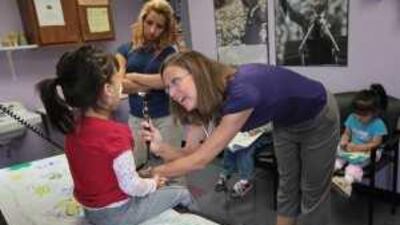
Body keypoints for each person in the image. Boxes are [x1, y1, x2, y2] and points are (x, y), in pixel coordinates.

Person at [141, 50, 340, 225]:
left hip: (319, 114)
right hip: (285, 122)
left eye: (175, 82)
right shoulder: (205, 99)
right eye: (167, 88)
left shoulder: (240, 93)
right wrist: (162, 149)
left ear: (197, 72)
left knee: (312, 193)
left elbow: (200, 161)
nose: (172, 94)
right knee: (287, 187)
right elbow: (192, 153)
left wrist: (148, 174)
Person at [36, 45, 193, 225]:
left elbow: (103, 170)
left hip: (91, 212)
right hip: (119, 215)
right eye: (119, 82)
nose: (122, 86)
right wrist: (154, 183)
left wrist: (145, 176)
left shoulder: (74, 130)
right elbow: (131, 186)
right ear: (109, 89)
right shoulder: (115, 135)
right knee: (180, 191)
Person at [115, 0, 183, 168]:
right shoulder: (124, 50)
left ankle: (178, 195)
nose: (153, 30)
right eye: (149, 23)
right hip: (136, 117)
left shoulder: (169, 52)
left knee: (173, 164)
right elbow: (119, 84)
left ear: (165, 29)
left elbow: (166, 81)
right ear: (142, 21)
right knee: (135, 164)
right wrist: (154, 82)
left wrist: (134, 76)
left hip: (166, 117)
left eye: (159, 26)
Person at [332, 84, 388, 197]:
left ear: (374, 112)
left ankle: (346, 183)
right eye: (357, 113)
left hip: (369, 150)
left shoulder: (378, 124)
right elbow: (347, 133)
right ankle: (331, 174)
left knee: (354, 166)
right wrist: (344, 140)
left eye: (364, 115)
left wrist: (359, 148)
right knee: (337, 158)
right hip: (353, 147)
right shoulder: (352, 117)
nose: (359, 117)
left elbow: (376, 143)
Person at [215, 127, 273, 198]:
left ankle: (245, 182)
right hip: (251, 130)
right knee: (231, 143)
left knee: (245, 149)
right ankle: (225, 173)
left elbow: (273, 123)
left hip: (266, 133)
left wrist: (259, 129)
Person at [279, 0, 342, 65]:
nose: (317, 3)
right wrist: (283, 2)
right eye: (314, 1)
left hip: (328, 63)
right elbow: (292, 15)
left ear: (325, 3)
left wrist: (324, 30)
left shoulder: (332, 20)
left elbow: (336, 44)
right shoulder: (307, 19)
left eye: (320, 1)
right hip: (312, 63)